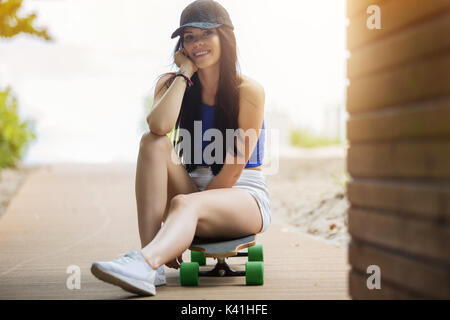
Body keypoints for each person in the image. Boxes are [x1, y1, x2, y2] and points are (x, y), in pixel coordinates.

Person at [91, 0, 271, 296]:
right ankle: (153, 268)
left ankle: (145, 261)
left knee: (184, 205)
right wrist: (185, 73)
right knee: (152, 143)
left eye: (205, 34)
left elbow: (236, 166)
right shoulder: (172, 82)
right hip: (190, 190)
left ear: (224, 37)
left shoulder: (249, 91)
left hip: (241, 194)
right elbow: (158, 127)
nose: (197, 43)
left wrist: (184, 219)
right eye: (189, 37)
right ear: (181, 45)